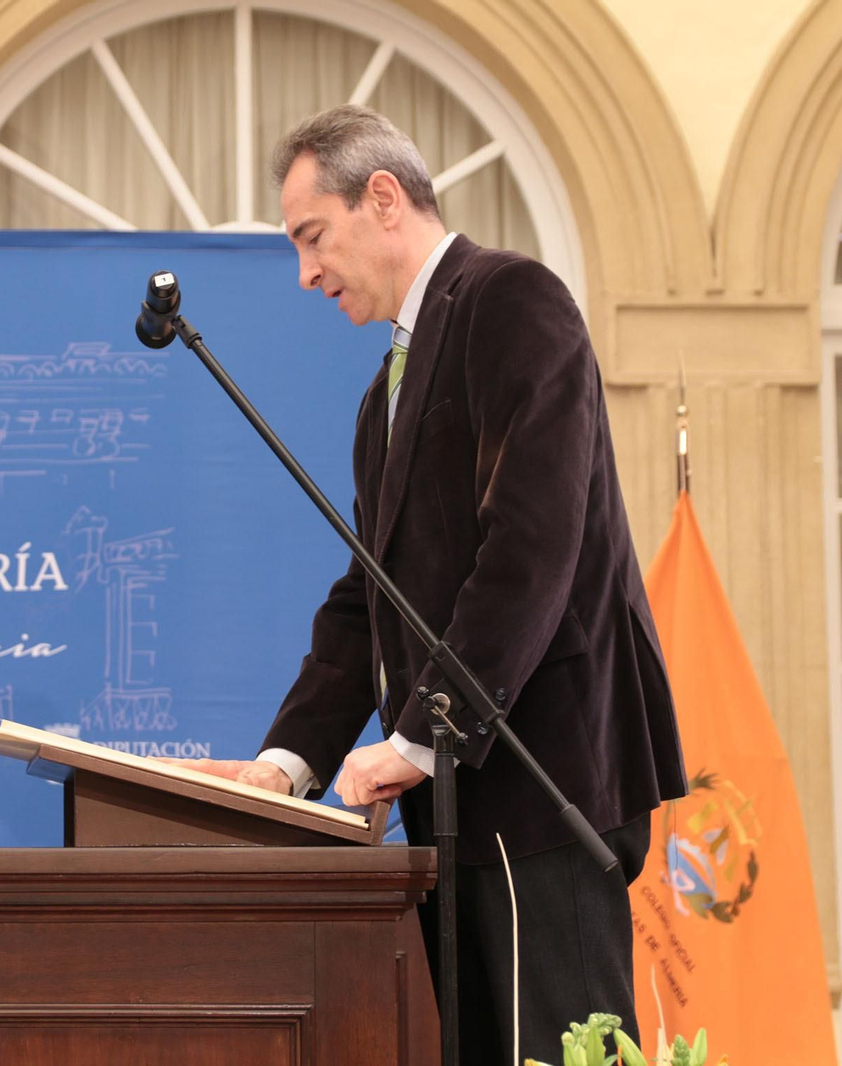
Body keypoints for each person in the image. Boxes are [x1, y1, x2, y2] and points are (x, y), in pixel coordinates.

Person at [170, 106, 686, 1059]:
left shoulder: (513, 300)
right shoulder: (385, 393)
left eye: (311, 238)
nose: (306, 273)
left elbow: (533, 545)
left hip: (545, 784)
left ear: (382, 198)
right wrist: (285, 765)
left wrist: (417, 734)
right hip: (460, 807)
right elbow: (370, 596)